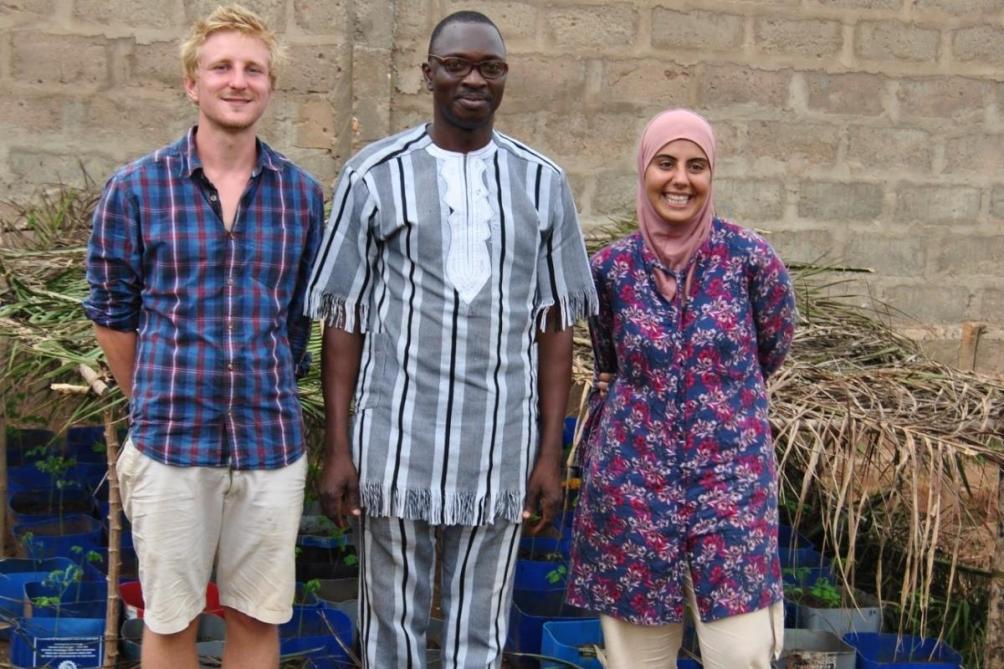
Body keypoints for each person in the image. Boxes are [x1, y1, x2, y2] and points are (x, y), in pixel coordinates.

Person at [305, 10, 597, 668]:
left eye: (489, 68)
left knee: (481, 630)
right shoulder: (373, 174)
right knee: (389, 626)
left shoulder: (542, 182)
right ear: (427, 74)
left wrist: (550, 454)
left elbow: (556, 326)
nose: (473, 79)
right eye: (457, 65)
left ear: (505, 79)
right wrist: (338, 446)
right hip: (394, 445)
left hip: (500, 450)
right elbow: (343, 318)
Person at [82, 5, 323, 669]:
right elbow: (111, 312)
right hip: (170, 445)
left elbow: (299, 315)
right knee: (171, 618)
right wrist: (153, 396)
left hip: (269, 443)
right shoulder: (135, 190)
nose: (238, 81)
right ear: (193, 83)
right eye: (222, 66)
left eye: (253, 69)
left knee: (255, 614)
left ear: (270, 85)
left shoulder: (301, 196)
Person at [565, 109, 797, 669]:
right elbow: (610, 362)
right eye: (665, 163)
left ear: (711, 175)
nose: (680, 179)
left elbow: (773, 346)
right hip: (632, 486)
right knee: (636, 661)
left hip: (731, 484)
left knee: (741, 655)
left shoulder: (751, 260)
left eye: (697, 166)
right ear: (644, 169)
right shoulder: (610, 271)